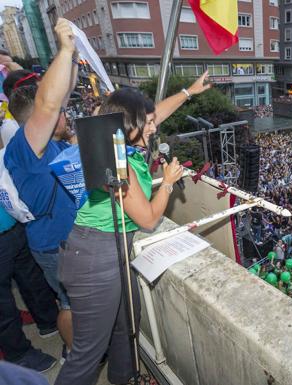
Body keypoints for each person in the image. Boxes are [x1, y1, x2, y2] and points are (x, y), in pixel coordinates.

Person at [55, 72, 212, 383]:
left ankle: (123, 378)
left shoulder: (110, 139)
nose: (155, 127)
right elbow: (149, 218)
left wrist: (188, 92)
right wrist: (167, 183)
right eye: (149, 122)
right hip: (95, 258)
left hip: (107, 252)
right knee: (87, 355)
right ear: (131, 126)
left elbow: (154, 114)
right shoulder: (117, 162)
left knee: (126, 324)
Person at [4, 19, 78, 356]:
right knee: (69, 303)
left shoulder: (52, 143)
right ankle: (76, 354)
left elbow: (56, 100)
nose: (65, 113)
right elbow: (50, 105)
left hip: (66, 241)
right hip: (54, 247)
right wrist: (63, 48)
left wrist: (74, 56)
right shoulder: (26, 147)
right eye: (60, 111)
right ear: (38, 120)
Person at [0, 201, 58, 372]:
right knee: (3, 305)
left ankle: (48, 320)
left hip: (13, 224)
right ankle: (18, 355)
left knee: (32, 279)